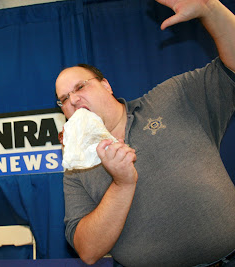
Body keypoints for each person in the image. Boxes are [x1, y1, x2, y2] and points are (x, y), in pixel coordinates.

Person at [55, 0, 235, 266]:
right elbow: (88, 250)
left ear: (106, 85)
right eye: (63, 99)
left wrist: (210, 9)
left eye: (80, 87)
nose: (73, 100)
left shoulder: (173, 96)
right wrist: (122, 184)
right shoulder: (77, 166)